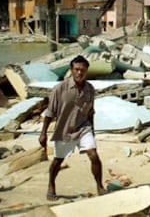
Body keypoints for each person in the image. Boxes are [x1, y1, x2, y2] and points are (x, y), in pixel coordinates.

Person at [39, 55, 106, 201]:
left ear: (87, 71)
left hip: (83, 128)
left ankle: (100, 186)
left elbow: (90, 112)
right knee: (58, 161)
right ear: (71, 70)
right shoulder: (59, 89)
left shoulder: (90, 89)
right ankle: (51, 184)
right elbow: (50, 113)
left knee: (94, 155)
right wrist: (43, 133)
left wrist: (92, 130)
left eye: (83, 70)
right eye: (76, 69)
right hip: (64, 130)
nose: (79, 73)